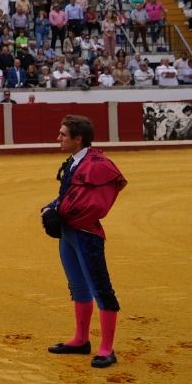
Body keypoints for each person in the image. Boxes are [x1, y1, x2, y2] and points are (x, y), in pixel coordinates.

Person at [42, 114, 128, 369]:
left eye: (63, 135)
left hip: (86, 233)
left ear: (78, 139)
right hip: (69, 233)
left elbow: (95, 204)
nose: (58, 138)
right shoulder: (75, 162)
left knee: (101, 288)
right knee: (78, 287)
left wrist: (58, 213)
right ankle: (81, 339)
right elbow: (67, 196)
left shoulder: (97, 164)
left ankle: (106, 348)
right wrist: (50, 209)